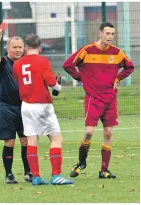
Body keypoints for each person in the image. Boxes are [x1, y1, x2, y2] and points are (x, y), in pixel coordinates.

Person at [63, 22, 134, 179]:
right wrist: (81, 78)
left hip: (110, 99)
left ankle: (104, 170)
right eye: (107, 33)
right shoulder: (87, 50)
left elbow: (130, 67)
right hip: (93, 98)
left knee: (108, 133)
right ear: (100, 33)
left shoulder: (117, 53)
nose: (110, 37)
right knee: (88, 132)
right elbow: (68, 65)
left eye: (112, 34)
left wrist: (117, 78)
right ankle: (81, 163)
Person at [13, 33, 74, 185]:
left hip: (25, 106)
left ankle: (36, 176)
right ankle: (56, 175)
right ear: (40, 48)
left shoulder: (17, 64)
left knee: (32, 139)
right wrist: (58, 87)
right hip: (41, 105)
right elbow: (51, 82)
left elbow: (19, 80)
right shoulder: (43, 61)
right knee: (56, 138)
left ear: (26, 48)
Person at [0, 30, 32, 184]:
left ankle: (28, 172)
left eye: (19, 47)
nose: (17, 50)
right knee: (9, 142)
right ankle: (9, 174)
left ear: (24, 49)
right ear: (7, 49)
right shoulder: (3, 63)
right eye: (14, 47)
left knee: (25, 140)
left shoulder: (26, 63)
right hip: (6, 106)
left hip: (25, 106)